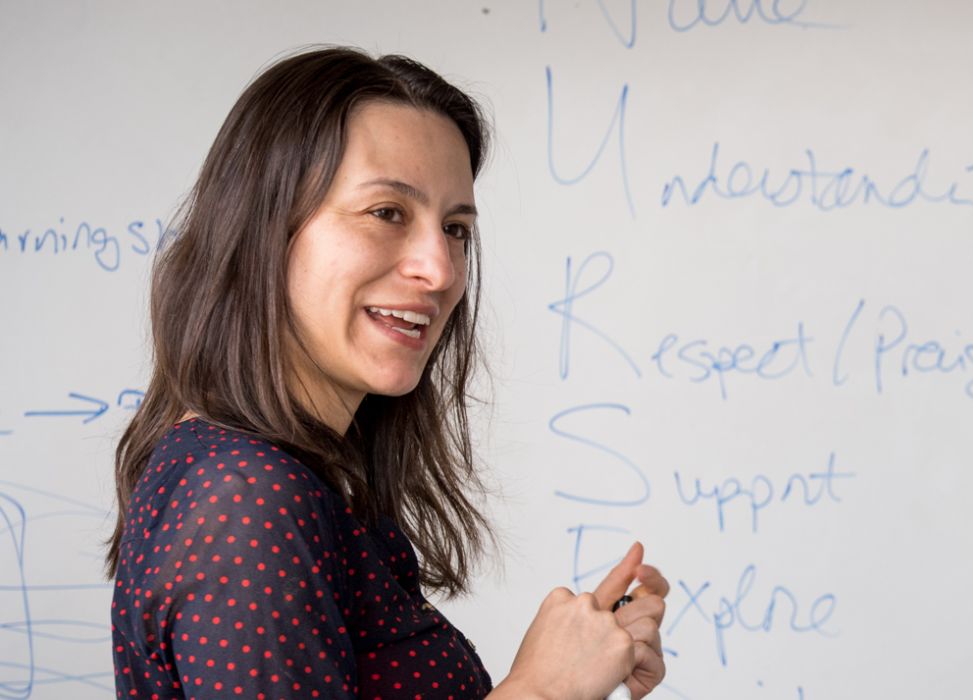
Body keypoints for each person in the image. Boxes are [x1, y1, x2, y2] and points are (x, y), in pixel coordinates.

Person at [104, 46, 668, 699]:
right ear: (265, 231)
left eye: (455, 228)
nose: (442, 270)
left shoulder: (287, 480)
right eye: (387, 213)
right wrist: (541, 690)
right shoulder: (247, 500)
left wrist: (578, 663)